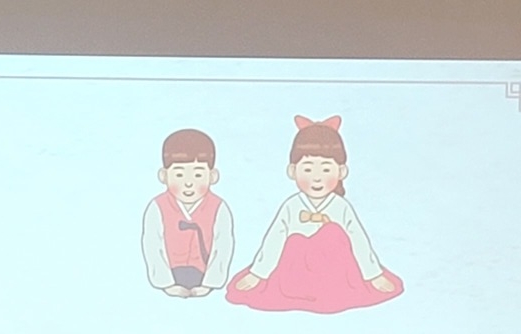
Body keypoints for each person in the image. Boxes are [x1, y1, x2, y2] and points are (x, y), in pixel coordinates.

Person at [227, 115, 402, 314]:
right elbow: (274, 240)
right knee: (295, 242)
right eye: (308, 169)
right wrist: (258, 273)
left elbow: (358, 240)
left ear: (341, 171)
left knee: (332, 233)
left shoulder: (341, 207)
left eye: (326, 169)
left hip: (335, 276)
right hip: (296, 276)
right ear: (292, 171)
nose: (317, 178)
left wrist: (373, 275)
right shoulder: (291, 206)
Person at [141, 128, 236, 298]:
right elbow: (153, 247)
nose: (189, 183)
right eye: (179, 174)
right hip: (171, 273)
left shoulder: (219, 208)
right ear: (164, 175)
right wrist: (166, 284)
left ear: (212, 176)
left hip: (203, 274)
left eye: (198, 175)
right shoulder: (157, 207)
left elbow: (222, 248)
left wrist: (209, 284)